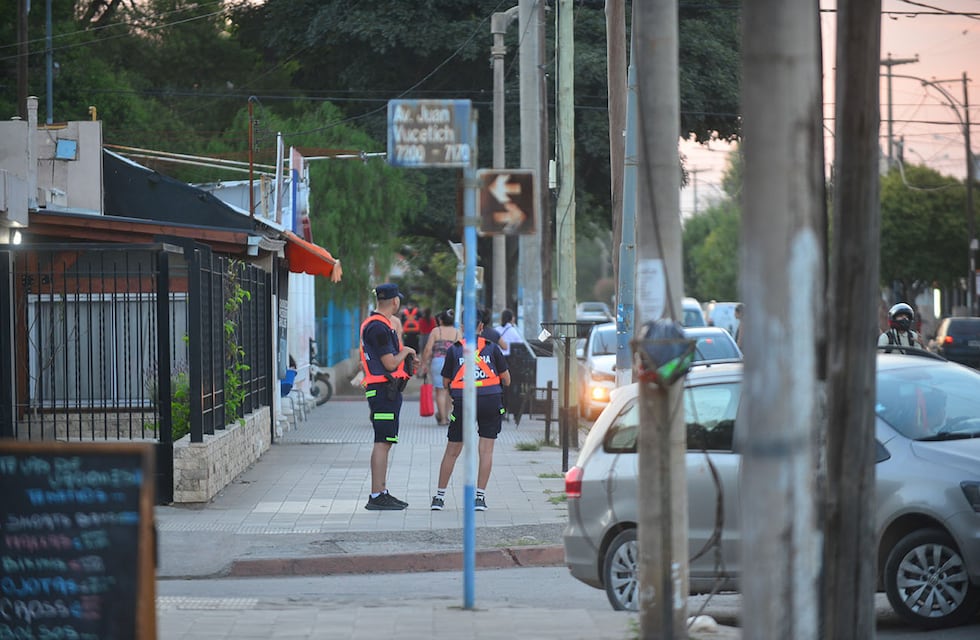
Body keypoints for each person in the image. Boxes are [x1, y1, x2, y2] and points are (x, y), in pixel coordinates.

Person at [431, 308, 511, 512]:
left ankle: (439, 498)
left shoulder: (454, 350)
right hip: (490, 401)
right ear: (482, 327)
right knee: (486, 451)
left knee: (452, 451)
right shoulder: (493, 349)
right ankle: (480, 498)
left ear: (463, 327)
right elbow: (507, 380)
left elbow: (446, 381)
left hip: (464, 402)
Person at [359, 283, 416, 511]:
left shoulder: (381, 325)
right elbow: (390, 363)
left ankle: (381, 491)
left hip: (387, 390)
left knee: (386, 442)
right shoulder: (379, 327)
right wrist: (408, 351)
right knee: (382, 443)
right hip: (383, 391)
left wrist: (406, 359)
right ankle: (376, 494)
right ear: (395, 301)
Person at [419, 309, 460, 427]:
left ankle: (442, 418)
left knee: (440, 391)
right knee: (449, 391)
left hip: (438, 362)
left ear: (441, 320)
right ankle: (446, 416)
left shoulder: (436, 331)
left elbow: (427, 349)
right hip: (453, 363)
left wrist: (424, 363)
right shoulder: (457, 332)